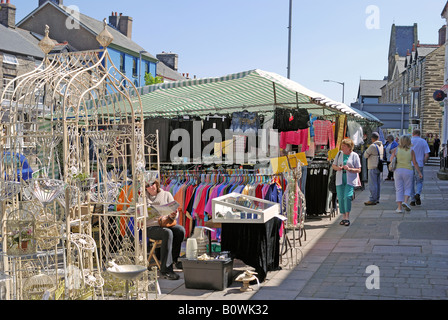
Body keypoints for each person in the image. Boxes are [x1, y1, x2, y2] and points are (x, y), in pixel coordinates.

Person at [146, 179, 185, 280]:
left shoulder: (166, 194)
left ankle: (175, 259)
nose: (150, 187)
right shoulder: (142, 198)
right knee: (167, 233)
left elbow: (175, 212)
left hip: (166, 223)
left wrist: (173, 214)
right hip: (151, 226)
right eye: (147, 185)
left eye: (152, 184)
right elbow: (140, 216)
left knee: (180, 230)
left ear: (156, 184)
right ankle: (166, 270)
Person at [332, 138, 362, 227]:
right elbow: (334, 165)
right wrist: (338, 168)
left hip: (350, 179)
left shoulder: (355, 155)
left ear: (349, 147)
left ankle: (347, 217)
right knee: (341, 198)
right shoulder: (339, 154)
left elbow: (359, 169)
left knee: (347, 197)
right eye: (342, 145)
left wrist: (349, 169)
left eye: (344, 146)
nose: (342, 147)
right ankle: (343, 216)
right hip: (340, 178)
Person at [390, 135, 423, 213]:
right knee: (408, 187)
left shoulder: (396, 149)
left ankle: (399, 208)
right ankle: (405, 201)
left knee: (399, 189)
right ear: (409, 141)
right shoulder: (411, 150)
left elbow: (391, 159)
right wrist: (419, 172)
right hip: (408, 170)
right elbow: (415, 163)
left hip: (398, 170)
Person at [410, 129, 430, 206]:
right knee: (419, 181)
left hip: (410, 163)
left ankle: (412, 200)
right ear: (419, 134)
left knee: (411, 182)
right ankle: (418, 193)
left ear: (413, 133)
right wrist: (423, 162)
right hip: (419, 164)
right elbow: (427, 155)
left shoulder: (409, 141)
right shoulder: (423, 141)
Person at [363, 132, 384, 206]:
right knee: (377, 183)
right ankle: (377, 198)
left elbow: (365, 155)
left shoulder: (372, 146)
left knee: (372, 184)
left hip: (372, 166)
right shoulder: (381, 145)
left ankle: (372, 199)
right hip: (379, 166)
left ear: (372, 138)